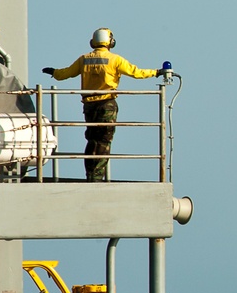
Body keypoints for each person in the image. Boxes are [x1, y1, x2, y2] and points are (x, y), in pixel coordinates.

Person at [41, 28, 166, 182]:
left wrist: (53, 72)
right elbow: (136, 72)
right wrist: (157, 72)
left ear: (93, 42)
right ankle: (96, 177)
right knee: (104, 140)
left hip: (89, 106)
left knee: (92, 140)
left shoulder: (84, 59)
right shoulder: (115, 60)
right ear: (110, 42)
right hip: (107, 105)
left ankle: (90, 175)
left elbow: (66, 73)